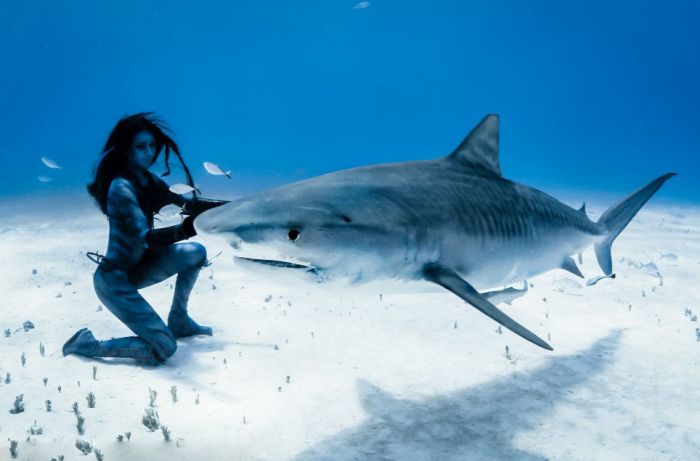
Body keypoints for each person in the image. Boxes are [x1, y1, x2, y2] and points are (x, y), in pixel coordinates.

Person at [62, 113, 227, 365]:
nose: (149, 152)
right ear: (125, 150)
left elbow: (189, 205)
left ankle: (179, 319)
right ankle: (87, 345)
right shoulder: (120, 188)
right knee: (164, 348)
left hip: (142, 267)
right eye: (140, 146)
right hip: (115, 280)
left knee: (196, 251)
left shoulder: (149, 180)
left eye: (152, 146)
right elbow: (145, 239)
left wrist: (234, 209)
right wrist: (186, 229)